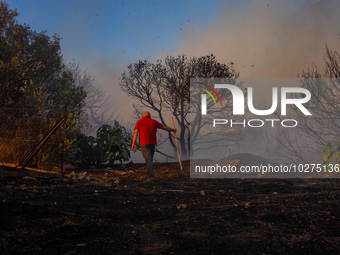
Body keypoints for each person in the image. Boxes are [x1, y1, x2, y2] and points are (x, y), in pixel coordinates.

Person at [132, 111, 176, 181]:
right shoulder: (154, 122)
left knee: (148, 160)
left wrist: (133, 143)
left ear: (143, 116)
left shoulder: (139, 122)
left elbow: (135, 133)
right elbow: (164, 127)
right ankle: (150, 175)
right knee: (150, 160)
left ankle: (150, 177)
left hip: (144, 144)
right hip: (152, 144)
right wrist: (172, 130)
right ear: (150, 116)